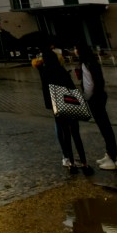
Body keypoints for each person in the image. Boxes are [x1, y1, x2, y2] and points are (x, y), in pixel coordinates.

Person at [37, 46, 90, 175]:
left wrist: (51, 107)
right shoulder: (61, 70)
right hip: (70, 104)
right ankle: (85, 164)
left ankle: (71, 164)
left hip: (58, 107)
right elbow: (71, 87)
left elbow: (46, 92)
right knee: (76, 135)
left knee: (65, 135)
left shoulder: (45, 72)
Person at [75, 42, 117, 170]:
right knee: (105, 126)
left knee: (104, 127)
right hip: (101, 96)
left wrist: (85, 98)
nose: (74, 51)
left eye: (76, 49)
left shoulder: (85, 64)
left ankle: (113, 158)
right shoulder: (93, 62)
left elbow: (89, 84)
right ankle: (110, 155)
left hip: (94, 98)